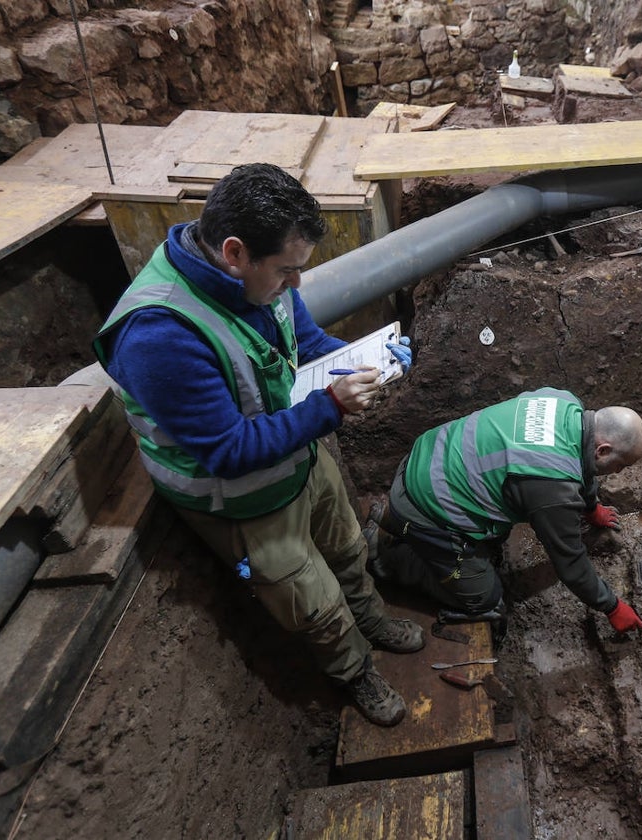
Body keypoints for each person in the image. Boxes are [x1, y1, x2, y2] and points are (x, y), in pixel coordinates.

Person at [92, 162, 420, 727]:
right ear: (235, 252)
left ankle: (373, 619)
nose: (296, 284)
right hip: (243, 498)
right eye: (288, 272)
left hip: (297, 456)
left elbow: (305, 341)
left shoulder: (258, 278)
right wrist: (331, 407)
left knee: (345, 546)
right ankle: (356, 671)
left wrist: (370, 358)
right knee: (311, 604)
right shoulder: (159, 334)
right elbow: (226, 450)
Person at [368, 387, 642, 634]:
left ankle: (396, 519)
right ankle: (385, 554)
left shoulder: (563, 402)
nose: (617, 472)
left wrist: (591, 508)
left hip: (427, 454)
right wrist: (611, 607)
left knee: (495, 536)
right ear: (603, 450)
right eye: (621, 465)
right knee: (486, 599)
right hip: (427, 502)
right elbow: (571, 564)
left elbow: (583, 467)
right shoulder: (553, 488)